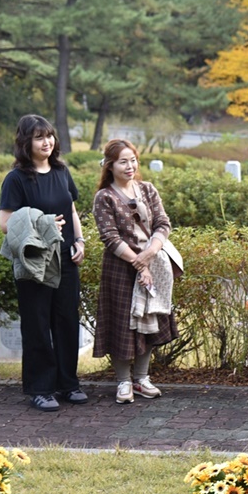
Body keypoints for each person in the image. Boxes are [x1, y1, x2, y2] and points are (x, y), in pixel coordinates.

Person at [0, 114, 87, 412]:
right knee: (37, 323)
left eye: (49, 135)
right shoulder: (17, 179)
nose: (47, 141)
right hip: (35, 261)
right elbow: (6, 222)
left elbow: (71, 211)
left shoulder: (62, 171)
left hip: (65, 258)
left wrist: (79, 241)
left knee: (65, 320)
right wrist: (43, 222)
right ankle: (41, 388)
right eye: (39, 137)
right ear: (26, 142)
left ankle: (68, 383)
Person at [92, 140, 179, 404]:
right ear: (110, 165)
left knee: (148, 322)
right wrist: (139, 263)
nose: (130, 166)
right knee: (122, 325)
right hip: (120, 269)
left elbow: (163, 223)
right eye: (123, 161)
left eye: (133, 160)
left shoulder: (147, 190)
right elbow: (109, 236)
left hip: (152, 262)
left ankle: (142, 379)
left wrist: (150, 253)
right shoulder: (104, 197)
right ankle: (123, 382)